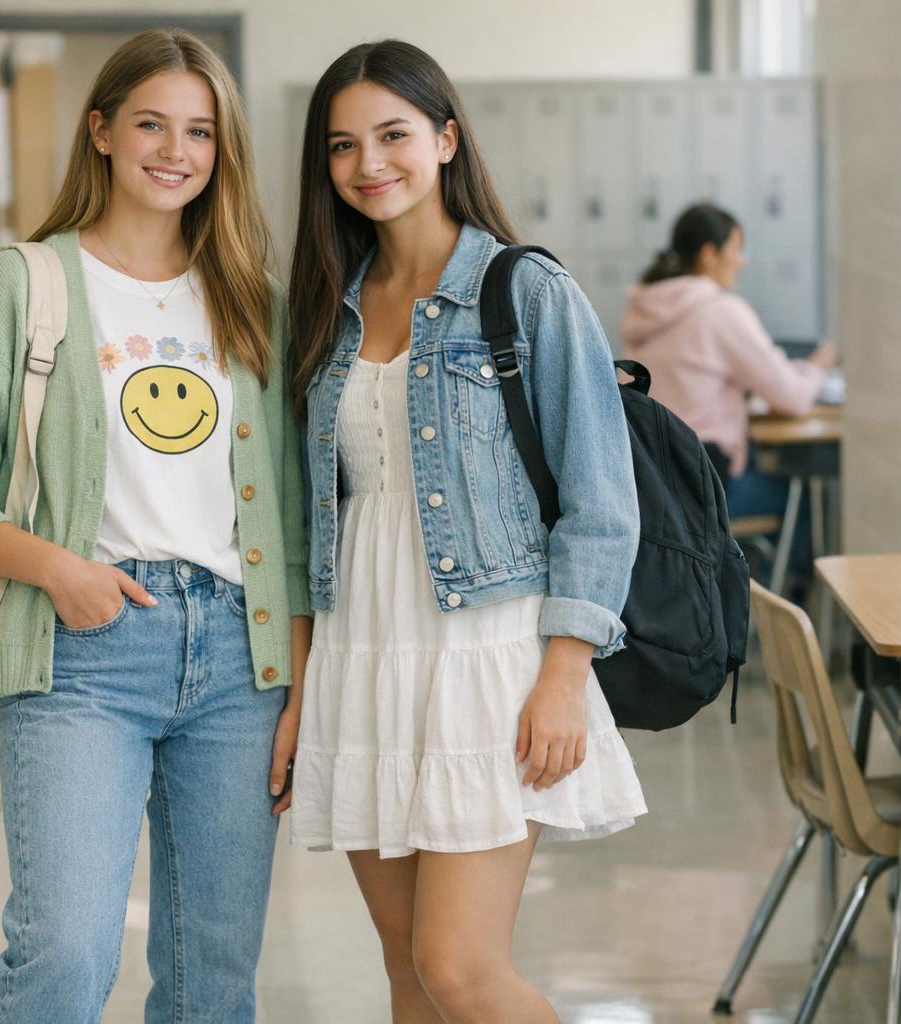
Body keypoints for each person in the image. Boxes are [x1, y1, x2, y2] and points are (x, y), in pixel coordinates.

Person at [0, 30, 309, 1023]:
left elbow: (292, 519)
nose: (176, 150)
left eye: (200, 131)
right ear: (102, 129)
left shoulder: (255, 299)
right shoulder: (24, 285)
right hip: (82, 653)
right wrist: (58, 570)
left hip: (242, 665)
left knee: (215, 975)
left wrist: (297, 681)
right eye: (152, 123)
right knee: (63, 957)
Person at [283, 40, 646, 1024]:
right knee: (406, 974)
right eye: (343, 145)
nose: (369, 164)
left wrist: (565, 673)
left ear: (445, 138)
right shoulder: (328, 308)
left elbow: (602, 498)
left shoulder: (525, 290)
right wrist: (301, 683)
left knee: (459, 968)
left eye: (393, 135)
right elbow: (309, 513)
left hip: (487, 650)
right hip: (365, 651)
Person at [619, 202, 837, 522]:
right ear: (710, 254)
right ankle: (750, 572)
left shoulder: (643, 310)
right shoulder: (721, 313)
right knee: (802, 503)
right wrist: (818, 366)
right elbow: (794, 396)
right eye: (736, 250)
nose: (742, 260)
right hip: (706, 486)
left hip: (651, 486)